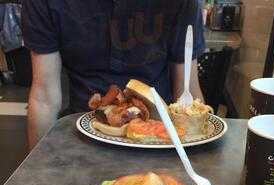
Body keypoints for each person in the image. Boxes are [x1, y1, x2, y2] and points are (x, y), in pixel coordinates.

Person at [22, 0, 205, 149]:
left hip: (159, 135)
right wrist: (36, 171)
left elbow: (186, 93)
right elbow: (44, 98)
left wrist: (194, 161)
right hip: (81, 132)